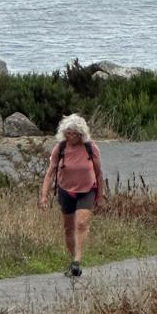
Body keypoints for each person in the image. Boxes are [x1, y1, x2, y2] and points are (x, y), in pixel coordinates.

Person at [39, 114, 104, 278]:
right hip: (65, 191)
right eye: (68, 133)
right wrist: (44, 196)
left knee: (81, 223)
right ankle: (72, 262)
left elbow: (99, 173)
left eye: (75, 133)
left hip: (87, 190)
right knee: (68, 228)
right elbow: (49, 173)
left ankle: (77, 260)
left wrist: (100, 196)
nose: (71, 136)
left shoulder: (91, 148)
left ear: (81, 133)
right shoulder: (59, 148)